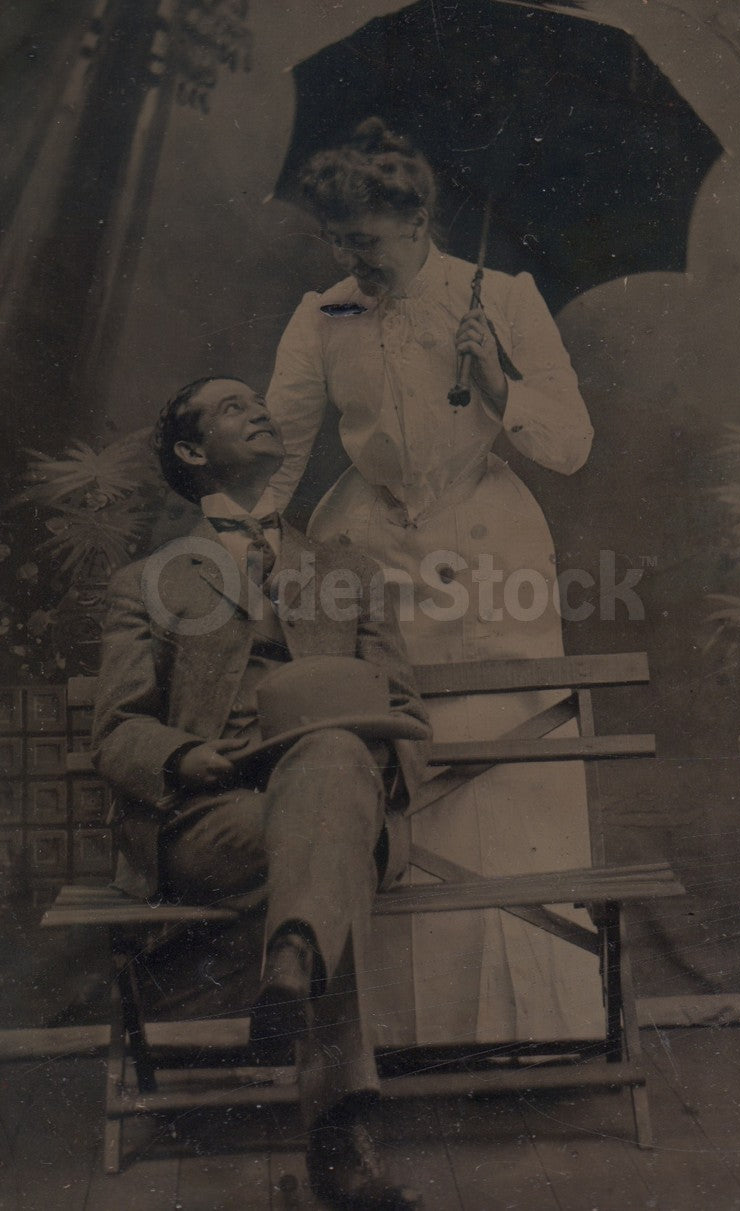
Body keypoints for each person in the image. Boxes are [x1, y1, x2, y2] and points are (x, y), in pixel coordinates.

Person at [266, 118, 604, 1045]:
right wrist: (249, 533)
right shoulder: (325, 313)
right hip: (368, 557)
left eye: (364, 241)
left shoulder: (500, 297)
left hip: (493, 566)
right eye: (336, 241)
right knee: (394, 771)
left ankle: (531, 1027)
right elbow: (280, 448)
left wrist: (499, 388)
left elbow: (571, 446)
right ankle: (393, 1039)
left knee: (499, 772)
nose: (349, 260)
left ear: (416, 221)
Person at [92, 375, 430, 1211]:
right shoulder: (149, 582)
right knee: (326, 853)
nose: (258, 408)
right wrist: (185, 757)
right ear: (192, 452)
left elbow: (408, 708)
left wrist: (361, 752)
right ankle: (344, 1147)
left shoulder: (344, 568)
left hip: (338, 791)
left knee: (329, 773)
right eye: (232, 404)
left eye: (258, 398)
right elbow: (117, 733)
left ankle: (294, 955)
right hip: (216, 813)